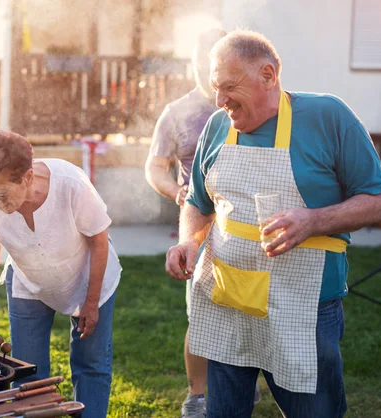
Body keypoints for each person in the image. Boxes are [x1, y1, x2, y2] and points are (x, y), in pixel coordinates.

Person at [165, 30, 381, 418]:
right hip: (229, 302)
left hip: (303, 309)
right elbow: (198, 203)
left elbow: (380, 201)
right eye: (216, 88)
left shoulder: (327, 117)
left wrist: (314, 220)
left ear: (267, 75)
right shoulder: (218, 126)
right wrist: (188, 241)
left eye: (229, 87)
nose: (220, 101)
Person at [0, 130, 122, 418]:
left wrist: (91, 302)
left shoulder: (70, 183)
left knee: (91, 363)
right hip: (29, 280)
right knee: (27, 373)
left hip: (88, 276)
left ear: (27, 177)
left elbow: (99, 241)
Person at [146, 28, 257, 418]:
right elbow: (155, 167)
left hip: (248, 225)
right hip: (200, 226)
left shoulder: (255, 105)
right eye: (195, 60)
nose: (201, 69)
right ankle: (198, 394)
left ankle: (246, 382)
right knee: (203, 314)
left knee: (252, 307)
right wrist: (176, 193)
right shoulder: (176, 112)